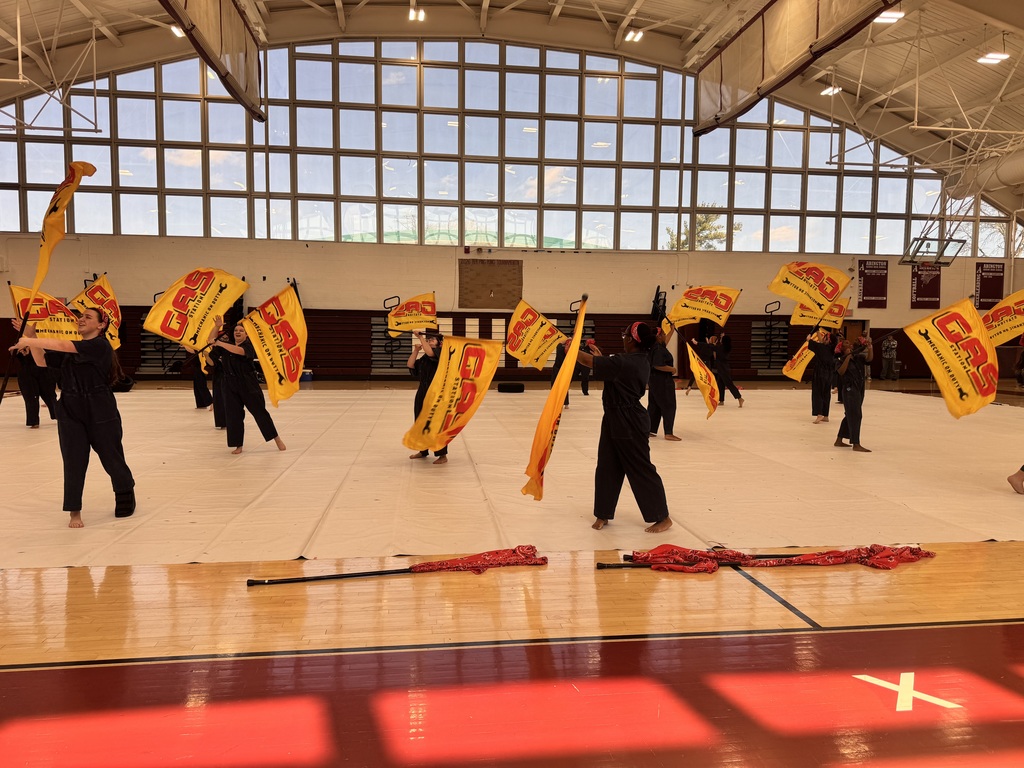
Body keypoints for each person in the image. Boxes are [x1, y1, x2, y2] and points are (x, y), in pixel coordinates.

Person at [10, 309, 135, 528]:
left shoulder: (100, 346)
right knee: (74, 460)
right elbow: (41, 361)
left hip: (100, 407)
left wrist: (28, 339)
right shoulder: (70, 349)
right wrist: (32, 335)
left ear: (100, 326)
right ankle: (74, 511)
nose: (81, 319)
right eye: (81, 316)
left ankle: (124, 491)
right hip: (69, 407)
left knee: (111, 456)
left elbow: (64, 345)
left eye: (88, 317)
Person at [574, 321, 673, 533]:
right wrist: (600, 356)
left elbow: (589, 362)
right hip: (613, 417)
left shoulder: (625, 362)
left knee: (640, 467)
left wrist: (573, 347)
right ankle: (603, 513)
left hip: (629, 420)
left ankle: (662, 517)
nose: (623, 339)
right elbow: (607, 366)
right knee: (607, 466)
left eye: (624, 335)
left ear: (630, 339)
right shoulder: (635, 360)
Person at [206, 316, 286, 455]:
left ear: (246, 334)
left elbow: (239, 352)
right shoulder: (225, 346)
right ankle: (238, 445)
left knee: (259, 412)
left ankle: (276, 438)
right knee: (233, 415)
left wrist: (219, 343)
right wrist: (217, 327)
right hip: (229, 384)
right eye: (236, 330)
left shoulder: (248, 346)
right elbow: (210, 342)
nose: (237, 332)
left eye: (241, 331)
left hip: (248, 384)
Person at [408, 330, 448, 464]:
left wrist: (420, 337)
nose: (430, 340)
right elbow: (410, 365)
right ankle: (423, 450)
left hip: (436, 394)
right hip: (422, 393)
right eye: (428, 339)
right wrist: (415, 351)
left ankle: (442, 455)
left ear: (440, 343)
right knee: (420, 421)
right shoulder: (424, 358)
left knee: (435, 424)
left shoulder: (441, 354)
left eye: (433, 339)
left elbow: (431, 353)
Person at [834, 336, 873, 453]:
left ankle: (839, 440)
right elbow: (841, 371)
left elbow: (869, 360)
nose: (850, 344)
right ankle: (856, 443)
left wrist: (870, 348)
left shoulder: (857, 357)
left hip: (859, 388)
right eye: (846, 343)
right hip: (849, 389)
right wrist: (847, 358)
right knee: (856, 415)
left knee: (850, 414)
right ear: (842, 348)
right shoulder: (839, 359)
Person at [647, 328, 681, 441]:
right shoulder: (658, 349)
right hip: (663, 381)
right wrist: (672, 369)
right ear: (659, 336)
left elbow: (666, 341)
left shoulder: (655, 346)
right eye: (664, 334)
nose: (666, 336)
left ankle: (650, 430)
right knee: (669, 405)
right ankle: (668, 433)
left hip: (653, 381)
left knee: (655, 406)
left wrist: (672, 330)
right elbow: (658, 365)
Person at [15, 345, 57, 428]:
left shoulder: (44, 338)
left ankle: (59, 416)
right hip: (26, 371)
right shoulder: (21, 340)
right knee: (31, 397)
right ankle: (33, 421)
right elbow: (14, 353)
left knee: (50, 396)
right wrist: (19, 349)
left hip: (44, 371)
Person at [806, 329, 835, 424]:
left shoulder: (821, 347)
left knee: (818, 392)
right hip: (830, 373)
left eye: (825, 337)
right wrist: (817, 331)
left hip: (820, 372)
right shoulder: (832, 348)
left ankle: (819, 413)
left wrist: (809, 338)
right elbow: (821, 342)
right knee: (826, 393)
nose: (822, 338)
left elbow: (810, 342)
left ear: (828, 340)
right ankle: (825, 415)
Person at [712, 332, 744, 407]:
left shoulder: (720, 348)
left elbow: (712, 348)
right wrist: (723, 337)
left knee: (729, 384)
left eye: (721, 339)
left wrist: (697, 343)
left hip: (723, 370)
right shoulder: (726, 347)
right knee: (720, 385)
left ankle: (739, 398)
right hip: (723, 369)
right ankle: (721, 400)